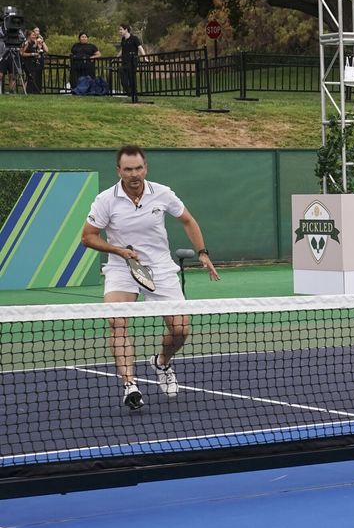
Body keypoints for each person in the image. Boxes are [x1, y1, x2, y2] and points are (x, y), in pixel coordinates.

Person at [79, 145, 220, 410]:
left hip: (161, 268)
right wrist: (119, 251)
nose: (134, 174)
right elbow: (87, 237)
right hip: (123, 267)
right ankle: (130, 385)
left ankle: (161, 362)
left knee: (180, 330)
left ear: (146, 168)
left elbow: (188, 220)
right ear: (118, 170)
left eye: (139, 168)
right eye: (128, 169)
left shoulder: (162, 193)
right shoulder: (105, 200)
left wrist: (202, 253)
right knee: (116, 321)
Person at [117, 23, 146, 102]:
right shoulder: (123, 39)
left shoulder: (134, 38)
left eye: (121, 29)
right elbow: (122, 50)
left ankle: (132, 93)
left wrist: (145, 58)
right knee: (124, 75)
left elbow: (140, 48)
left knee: (129, 76)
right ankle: (130, 92)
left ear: (126, 29)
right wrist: (116, 57)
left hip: (132, 61)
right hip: (125, 61)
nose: (119, 31)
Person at [19, 27, 46, 94]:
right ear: (29, 36)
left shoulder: (33, 43)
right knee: (30, 77)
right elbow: (22, 53)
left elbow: (36, 50)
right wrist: (32, 54)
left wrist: (39, 48)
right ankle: (28, 92)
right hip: (27, 62)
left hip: (32, 62)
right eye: (33, 35)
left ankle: (31, 92)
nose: (34, 36)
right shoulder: (26, 43)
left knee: (32, 77)